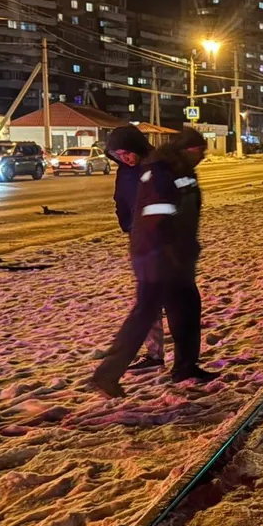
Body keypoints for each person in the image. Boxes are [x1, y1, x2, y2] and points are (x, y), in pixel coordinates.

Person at [91, 128, 217, 398]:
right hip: (157, 258)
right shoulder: (161, 171)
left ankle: (185, 368)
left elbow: (186, 213)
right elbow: (156, 217)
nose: (202, 156)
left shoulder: (180, 169)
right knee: (144, 314)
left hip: (175, 258)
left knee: (187, 311)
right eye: (198, 151)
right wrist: (166, 252)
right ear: (186, 150)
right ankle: (106, 375)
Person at [104, 125, 164, 372]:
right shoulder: (124, 171)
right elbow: (120, 199)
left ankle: (180, 357)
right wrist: (127, 224)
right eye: (118, 155)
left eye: (127, 153)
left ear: (137, 147)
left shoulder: (158, 166)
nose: (124, 158)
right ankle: (155, 354)